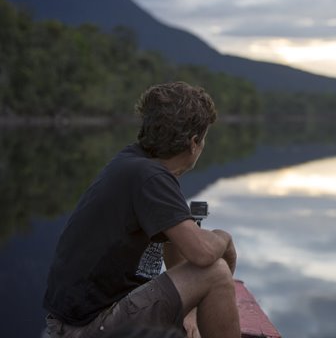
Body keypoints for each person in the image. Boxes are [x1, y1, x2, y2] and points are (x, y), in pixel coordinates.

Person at [43, 81, 240, 338]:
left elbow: (176, 248)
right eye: (204, 139)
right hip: (86, 327)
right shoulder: (150, 177)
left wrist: (190, 309)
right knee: (216, 272)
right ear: (194, 143)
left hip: (73, 320)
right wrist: (224, 238)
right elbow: (202, 254)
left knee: (208, 272)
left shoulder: (136, 163)